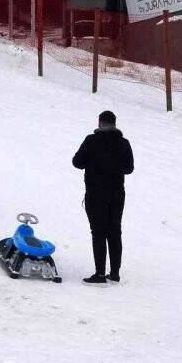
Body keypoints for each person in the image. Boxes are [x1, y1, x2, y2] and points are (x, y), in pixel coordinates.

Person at [72, 111, 134, 284]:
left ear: (99, 123)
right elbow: (129, 168)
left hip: (96, 193)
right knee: (115, 231)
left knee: (98, 233)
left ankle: (100, 274)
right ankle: (114, 273)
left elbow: (77, 162)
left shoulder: (91, 141)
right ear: (115, 124)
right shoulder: (124, 143)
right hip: (117, 194)